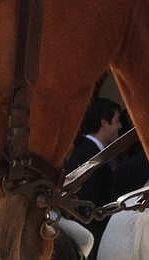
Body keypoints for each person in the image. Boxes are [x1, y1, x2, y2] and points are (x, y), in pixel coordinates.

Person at [65, 97, 123, 259]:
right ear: (104, 122)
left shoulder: (90, 152)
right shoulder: (88, 156)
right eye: (117, 121)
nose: (120, 126)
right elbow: (86, 207)